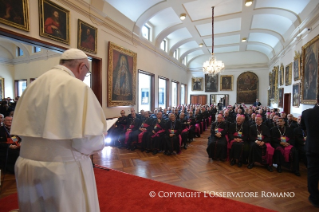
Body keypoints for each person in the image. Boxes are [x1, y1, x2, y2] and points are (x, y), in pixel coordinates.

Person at [11, 48, 107, 211]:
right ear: (81, 66)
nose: (84, 77)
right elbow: (87, 141)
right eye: (86, 73)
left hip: (26, 164)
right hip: (62, 168)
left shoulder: (32, 86)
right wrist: (100, 141)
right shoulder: (77, 87)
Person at [300, 94, 319, 208]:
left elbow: (303, 127)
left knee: (312, 173)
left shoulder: (307, 113)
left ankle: (314, 197)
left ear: (316, 100)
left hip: (312, 147)